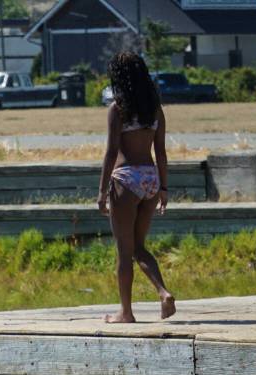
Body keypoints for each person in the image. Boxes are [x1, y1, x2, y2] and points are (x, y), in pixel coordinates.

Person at [97, 51, 176, 323]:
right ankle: (163, 292)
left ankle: (126, 312)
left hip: (126, 180)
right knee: (139, 247)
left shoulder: (118, 109)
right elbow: (161, 152)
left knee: (124, 251)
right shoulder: (155, 110)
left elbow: (111, 152)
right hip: (150, 178)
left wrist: (100, 192)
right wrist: (164, 188)